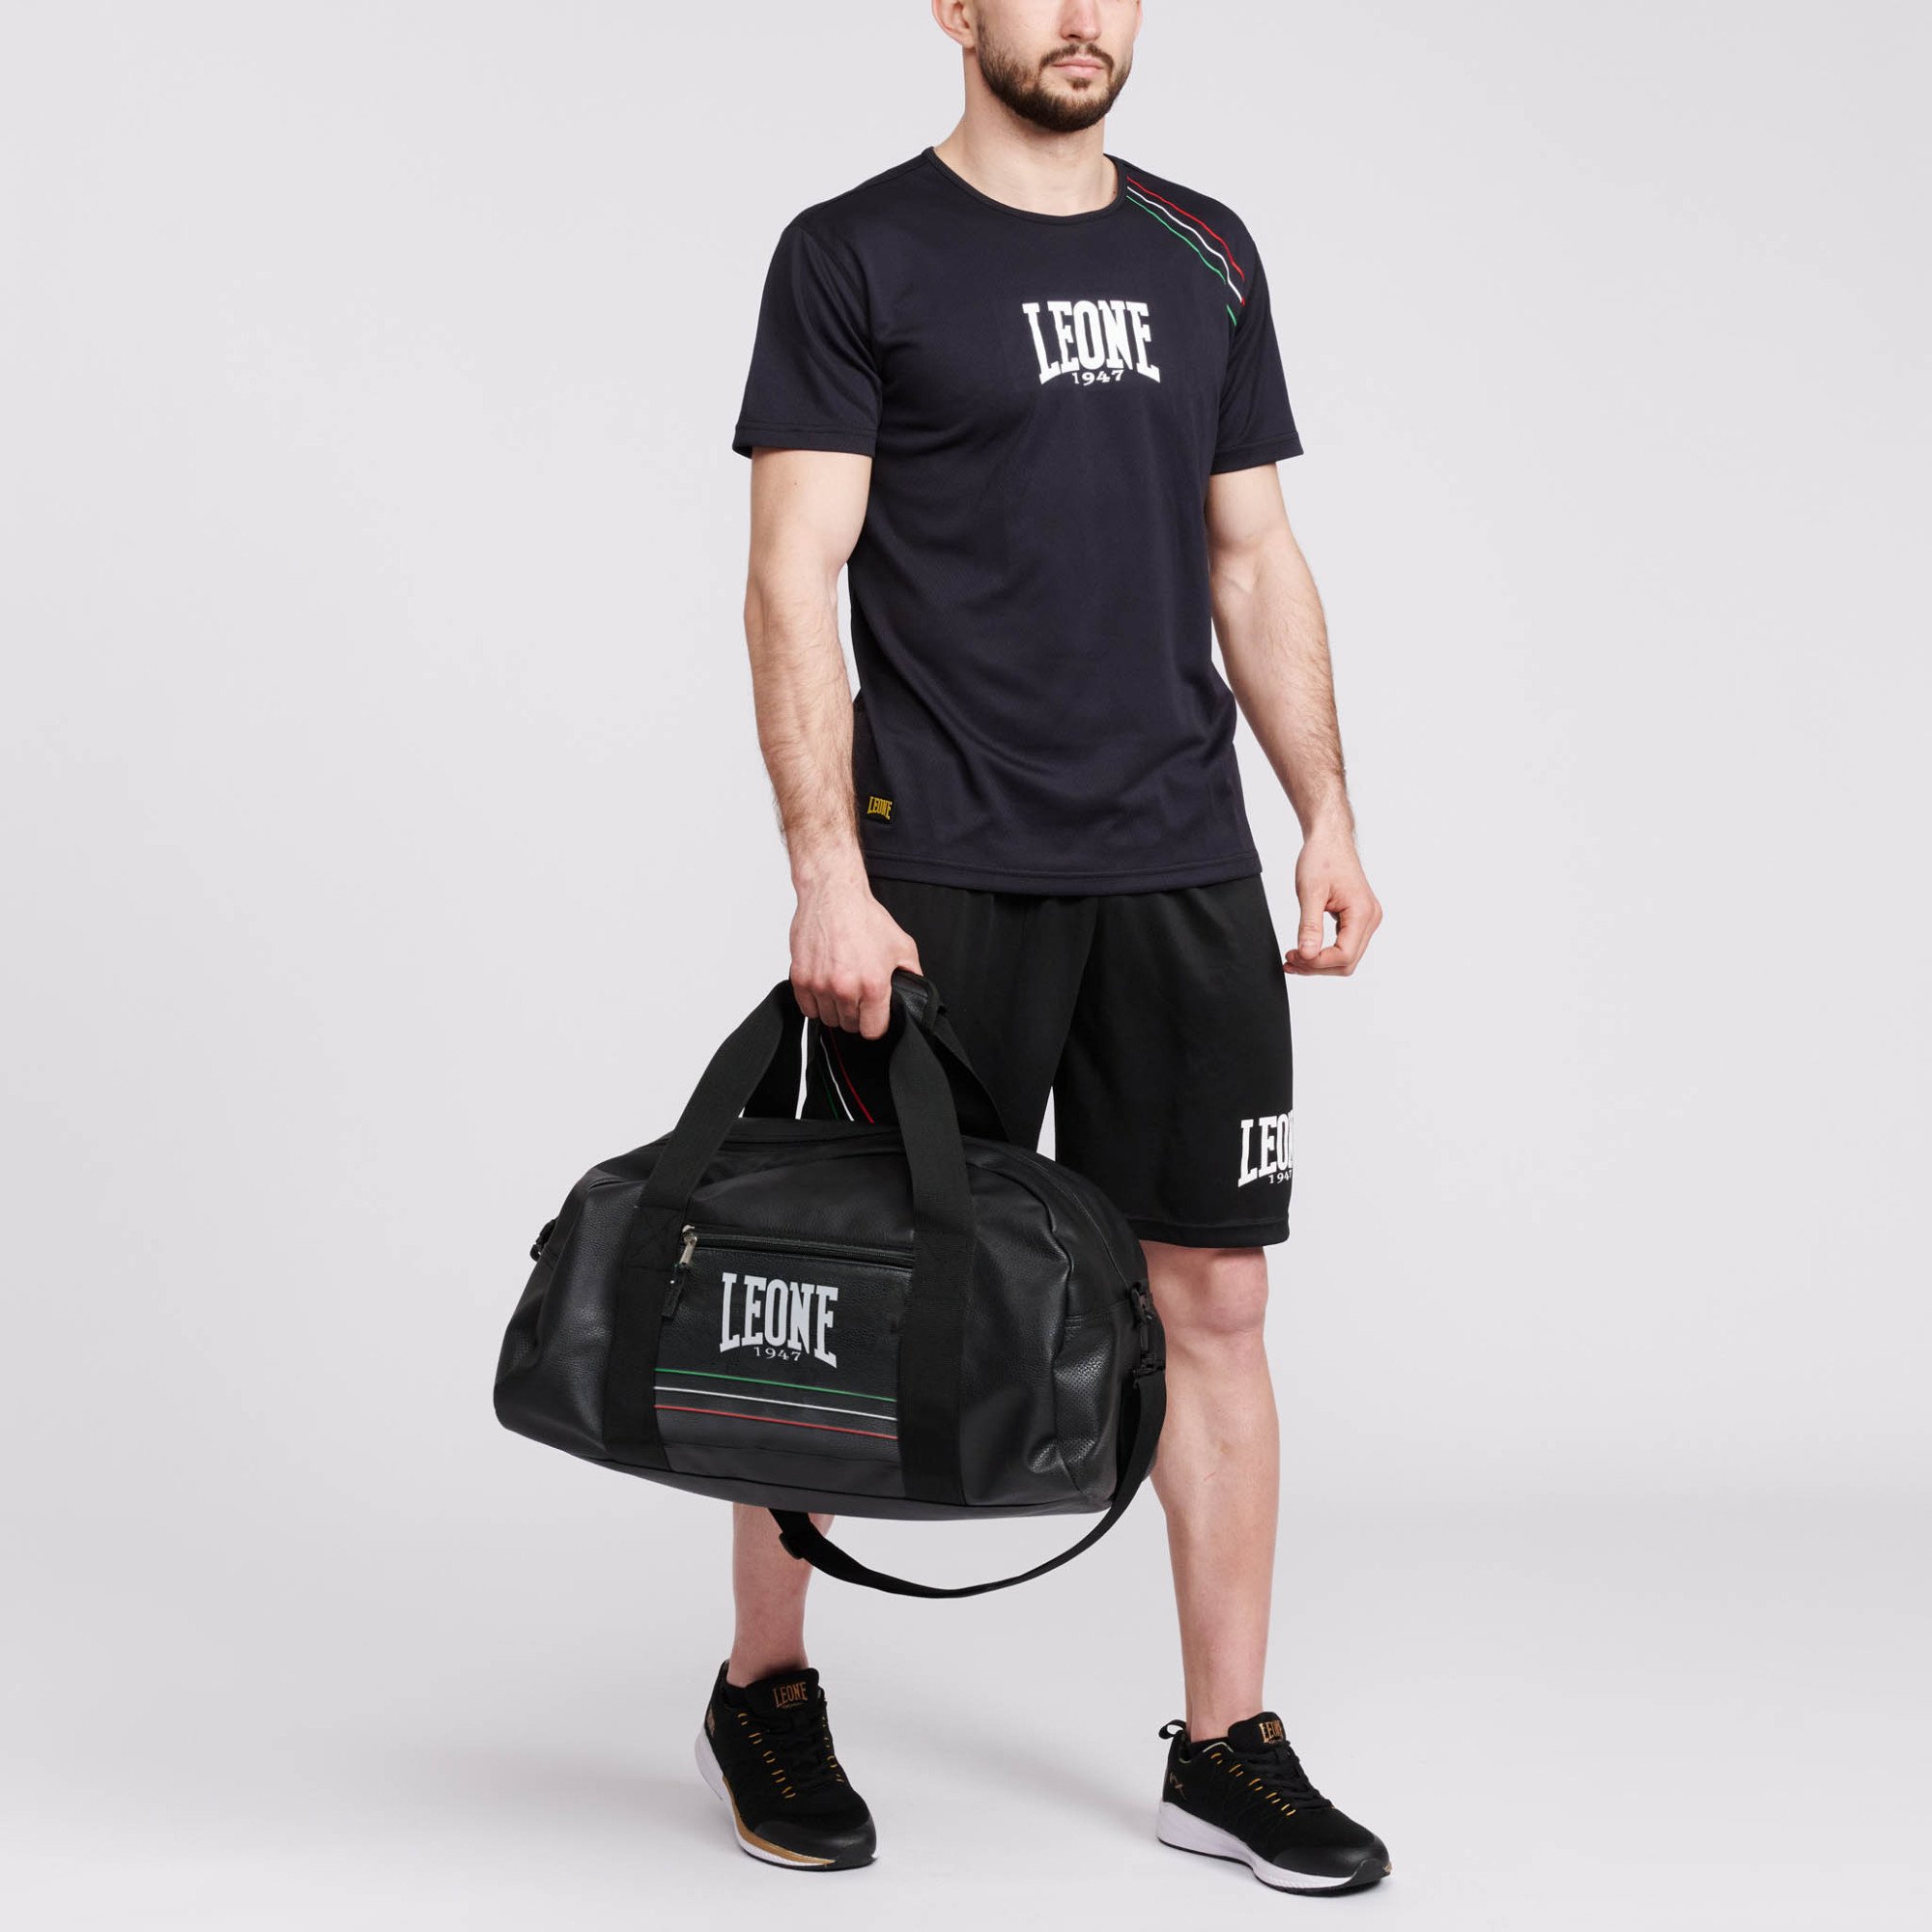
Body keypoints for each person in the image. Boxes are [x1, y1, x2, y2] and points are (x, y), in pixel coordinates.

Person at [698, 0, 1389, 1894]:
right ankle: (764, 1686)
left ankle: (1225, 1747)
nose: (1084, 16)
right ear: (954, 6)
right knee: (850, 1284)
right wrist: (825, 871)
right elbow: (790, 573)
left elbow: (1251, 555)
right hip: (942, 870)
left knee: (1215, 1302)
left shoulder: (1205, 251)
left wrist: (1324, 812)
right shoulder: (856, 254)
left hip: (1180, 867)